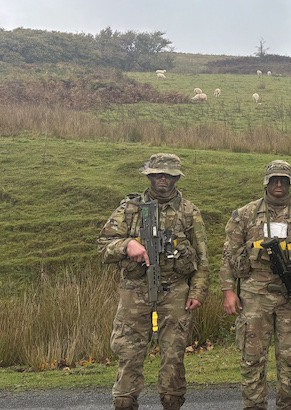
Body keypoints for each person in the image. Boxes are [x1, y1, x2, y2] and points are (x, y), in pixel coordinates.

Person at [98, 153, 209, 410]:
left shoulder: (189, 212)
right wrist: (128, 245)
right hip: (135, 291)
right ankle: (124, 402)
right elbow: (103, 247)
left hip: (175, 290)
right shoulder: (129, 209)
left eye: (169, 175)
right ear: (149, 176)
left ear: (176, 178)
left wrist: (198, 291)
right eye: (158, 174)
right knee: (128, 353)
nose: (163, 179)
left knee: (174, 355)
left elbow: (202, 258)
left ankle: (172, 401)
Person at [219, 160, 291, 410]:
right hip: (254, 297)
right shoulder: (244, 214)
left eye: (284, 180)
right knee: (252, 359)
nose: (279, 184)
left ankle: (288, 406)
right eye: (274, 179)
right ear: (266, 181)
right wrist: (228, 290)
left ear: (290, 183)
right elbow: (228, 255)